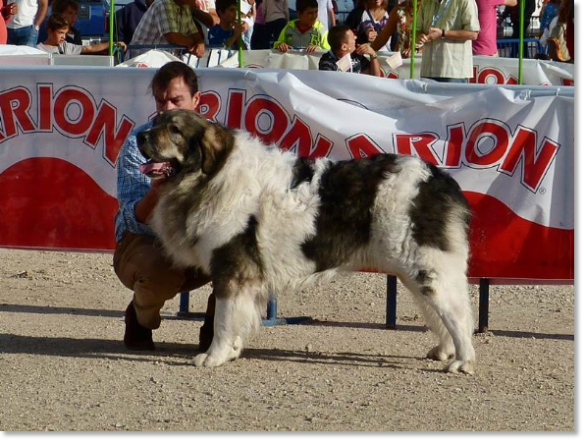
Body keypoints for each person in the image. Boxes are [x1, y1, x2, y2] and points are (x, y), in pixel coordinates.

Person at [114, 61, 215, 352]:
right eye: (161, 100)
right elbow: (133, 221)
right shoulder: (139, 143)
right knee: (158, 269)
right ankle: (140, 318)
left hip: (204, 241)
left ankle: (217, 328)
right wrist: (157, 192)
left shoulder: (218, 142)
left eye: (176, 99)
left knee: (245, 256)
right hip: (150, 241)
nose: (167, 107)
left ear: (197, 101)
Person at [415, 0, 479, 83]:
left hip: (452, 72)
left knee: (453, 96)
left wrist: (443, 33)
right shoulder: (426, 2)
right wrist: (419, 36)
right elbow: (416, 30)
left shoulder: (465, 1)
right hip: (428, 70)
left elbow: (473, 33)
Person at [128, 0, 205, 58]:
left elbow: (194, 34)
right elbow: (173, 37)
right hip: (141, 60)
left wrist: (199, 43)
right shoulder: (163, 3)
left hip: (162, 59)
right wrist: (194, 44)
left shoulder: (185, 8)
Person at [36, 13, 126, 53]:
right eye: (60, 33)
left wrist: (113, 44)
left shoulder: (65, 46)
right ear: (50, 31)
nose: (63, 37)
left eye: (65, 33)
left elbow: (89, 48)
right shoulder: (37, 50)